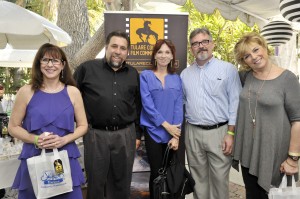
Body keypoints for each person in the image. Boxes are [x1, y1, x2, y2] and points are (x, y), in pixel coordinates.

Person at [8, 43, 88, 199]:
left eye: (55, 60)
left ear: (63, 65)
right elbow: (13, 127)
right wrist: (36, 139)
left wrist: (64, 139)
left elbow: (83, 125)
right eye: (45, 60)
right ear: (39, 64)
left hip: (65, 157)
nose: (50, 65)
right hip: (34, 157)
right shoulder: (26, 91)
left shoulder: (73, 92)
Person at [73, 30, 141, 199]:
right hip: (95, 135)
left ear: (127, 52)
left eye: (123, 48)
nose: (118, 51)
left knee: (122, 183)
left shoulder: (133, 74)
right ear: (106, 47)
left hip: (126, 135)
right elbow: (70, 97)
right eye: (114, 46)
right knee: (96, 183)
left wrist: (138, 134)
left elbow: (138, 106)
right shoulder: (86, 69)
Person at [233, 32, 300, 199]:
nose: (254, 57)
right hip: (248, 151)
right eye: (247, 56)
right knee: (252, 195)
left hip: (274, 154)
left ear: (265, 47)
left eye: (256, 50)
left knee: (271, 195)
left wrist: (293, 158)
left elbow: (297, 121)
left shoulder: (287, 78)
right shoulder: (245, 76)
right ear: (244, 61)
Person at [180, 27, 241, 199]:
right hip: (193, 132)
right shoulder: (185, 74)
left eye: (204, 41)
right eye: (195, 44)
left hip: (220, 133)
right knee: (197, 179)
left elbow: (235, 103)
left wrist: (231, 133)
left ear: (212, 44)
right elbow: (183, 103)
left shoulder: (228, 70)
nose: (201, 46)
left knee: (220, 180)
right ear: (191, 48)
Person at [140, 39, 183, 198]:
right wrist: (166, 126)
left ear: (172, 56)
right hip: (153, 132)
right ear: (155, 55)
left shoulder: (177, 78)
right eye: (160, 52)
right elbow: (147, 105)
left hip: (172, 135)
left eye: (167, 52)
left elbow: (179, 107)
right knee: (156, 173)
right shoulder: (145, 76)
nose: (163, 55)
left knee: (171, 173)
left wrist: (175, 135)